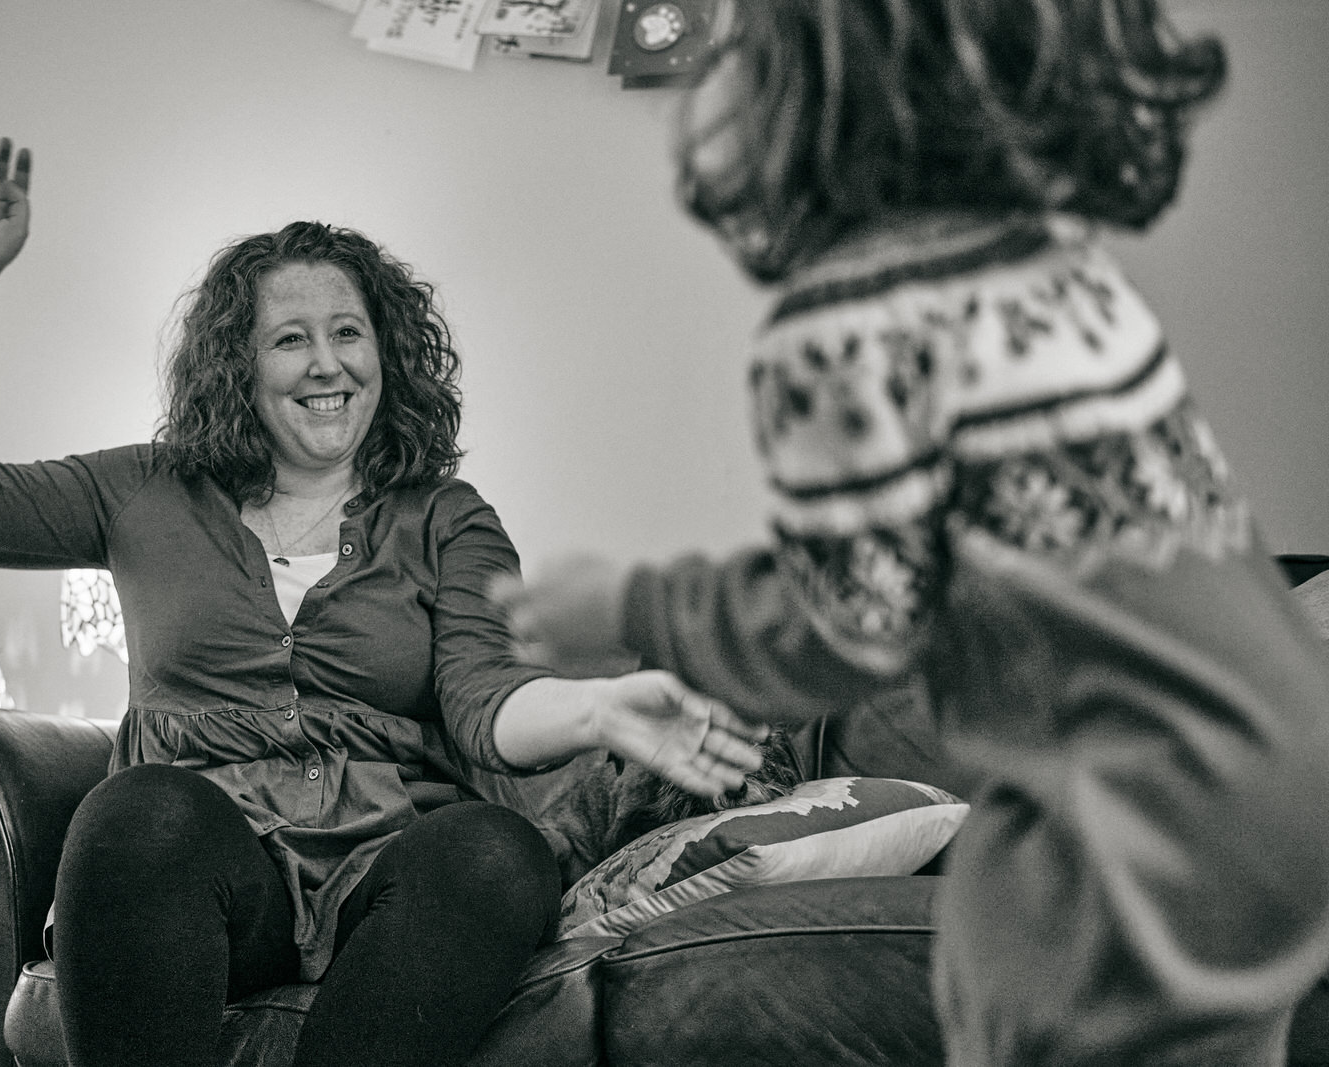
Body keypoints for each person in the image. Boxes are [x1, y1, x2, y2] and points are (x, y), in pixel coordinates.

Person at [495, 2, 1329, 1064]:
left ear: (795, 100)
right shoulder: (1064, 275)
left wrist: (622, 604)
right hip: (1288, 773)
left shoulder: (846, 323)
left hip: (1126, 805)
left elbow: (845, 629)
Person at [0, 138, 767, 1067]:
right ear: (238, 366)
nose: (326, 363)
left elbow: (486, 699)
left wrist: (602, 704)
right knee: (138, 813)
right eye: (290, 338)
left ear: (387, 351)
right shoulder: (146, 490)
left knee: (496, 850)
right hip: (207, 871)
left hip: (389, 874)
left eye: (349, 332)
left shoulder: (445, 516)